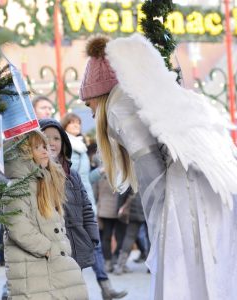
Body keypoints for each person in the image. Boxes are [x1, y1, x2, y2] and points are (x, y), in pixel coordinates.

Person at [80, 33, 237, 299]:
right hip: (210, 190)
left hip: (182, 197)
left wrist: (159, 230)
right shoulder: (144, 97)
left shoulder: (118, 108)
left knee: (180, 274)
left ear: (100, 95)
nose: (92, 112)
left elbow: (151, 173)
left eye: (89, 102)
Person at [40, 118, 127, 300]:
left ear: (63, 142)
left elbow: (86, 205)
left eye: (56, 138)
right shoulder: (35, 176)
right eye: (46, 138)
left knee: (74, 290)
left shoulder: (73, 173)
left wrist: (92, 235)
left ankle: (106, 287)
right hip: (49, 248)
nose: (51, 143)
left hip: (75, 236)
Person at [3, 130, 88, 300]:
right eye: (37, 147)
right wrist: (48, 249)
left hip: (52, 264)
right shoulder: (18, 186)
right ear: (24, 153)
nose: (44, 151)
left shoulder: (43, 181)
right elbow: (18, 226)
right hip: (36, 266)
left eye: (45, 146)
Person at [113, 189, 145, 275]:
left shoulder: (133, 175)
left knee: (129, 236)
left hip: (134, 208)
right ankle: (151, 266)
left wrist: (119, 208)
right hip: (148, 206)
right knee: (150, 237)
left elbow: (123, 193)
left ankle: (120, 265)